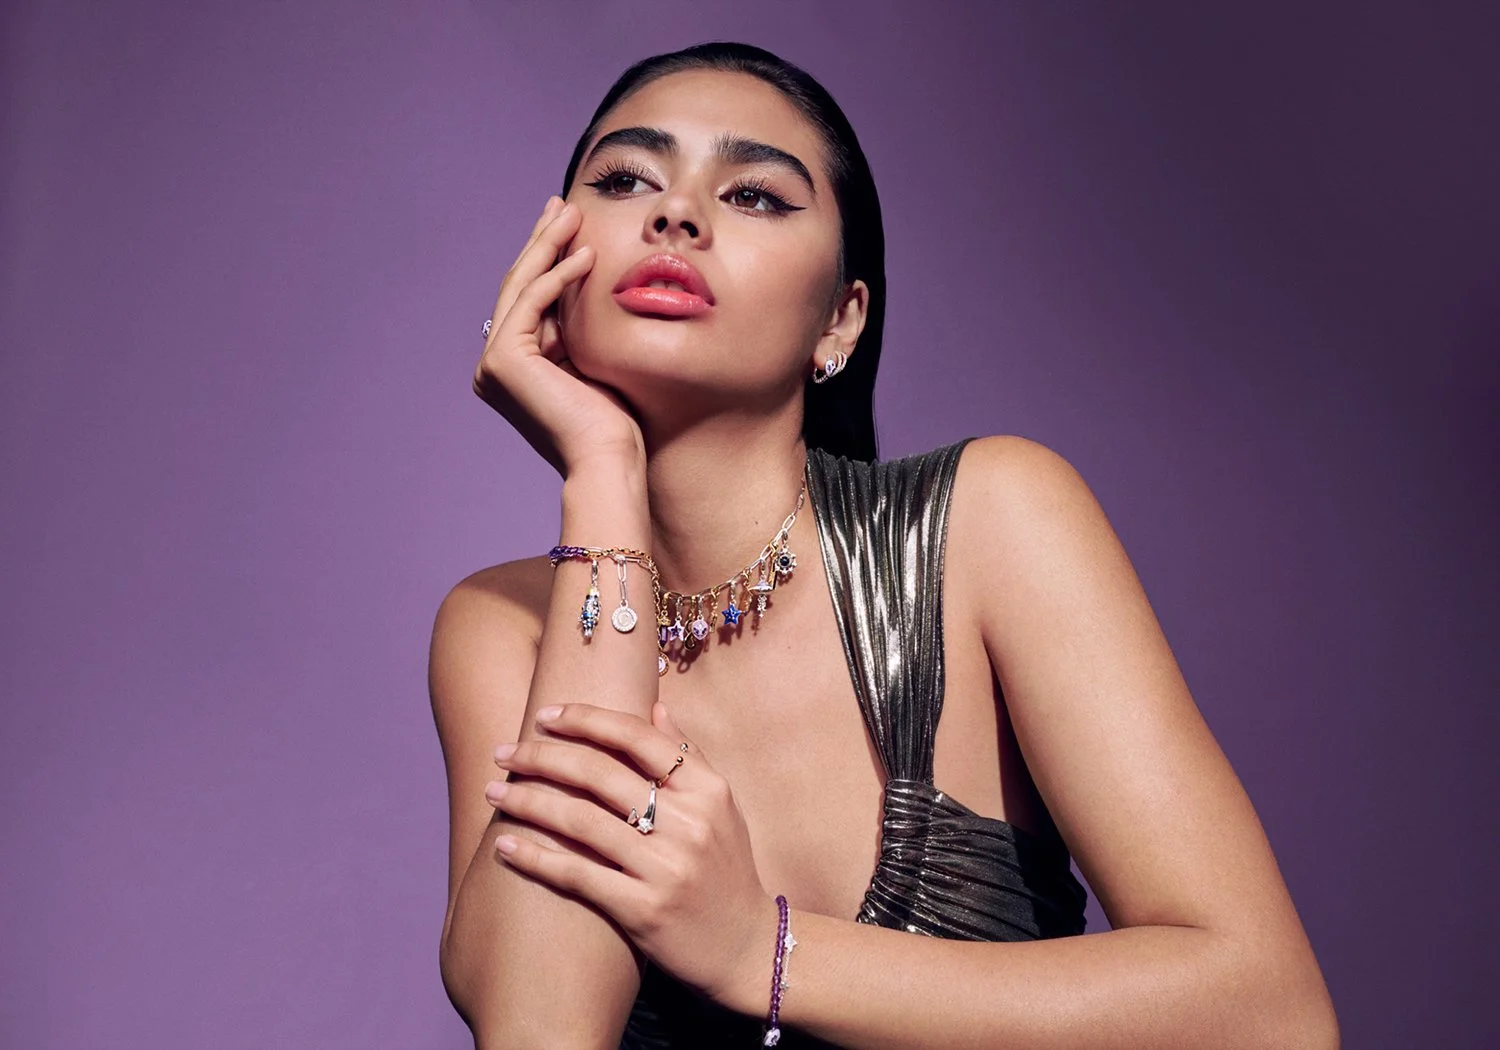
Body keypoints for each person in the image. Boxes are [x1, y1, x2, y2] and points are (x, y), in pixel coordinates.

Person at [429, 41, 1338, 1049]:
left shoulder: (990, 523)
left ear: (841, 321)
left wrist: (757, 952)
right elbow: (540, 1033)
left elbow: (1270, 1015)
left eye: (757, 196)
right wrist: (601, 472)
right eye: (625, 178)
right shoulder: (501, 629)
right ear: (553, 265)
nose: (675, 214)